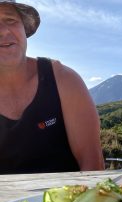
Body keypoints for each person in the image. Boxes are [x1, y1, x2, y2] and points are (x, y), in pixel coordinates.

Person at [0, 0, 104, 174]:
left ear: (24, 29)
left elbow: (92, 164)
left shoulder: (64, 79)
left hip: (69, 199)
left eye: (10, 20)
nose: (3, 31)